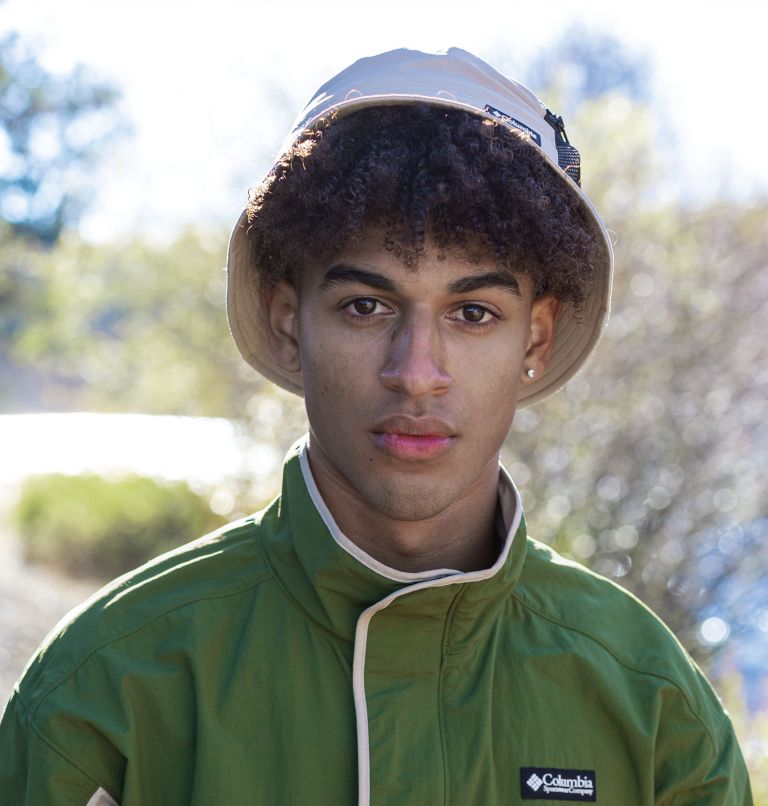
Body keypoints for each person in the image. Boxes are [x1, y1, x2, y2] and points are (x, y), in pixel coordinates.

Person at [0, 48, 752, 805]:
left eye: (472, 313)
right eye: (367, 305)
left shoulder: (655, 707)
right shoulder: (105, 690)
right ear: (290, 322)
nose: (417, 370)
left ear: (535, 340)